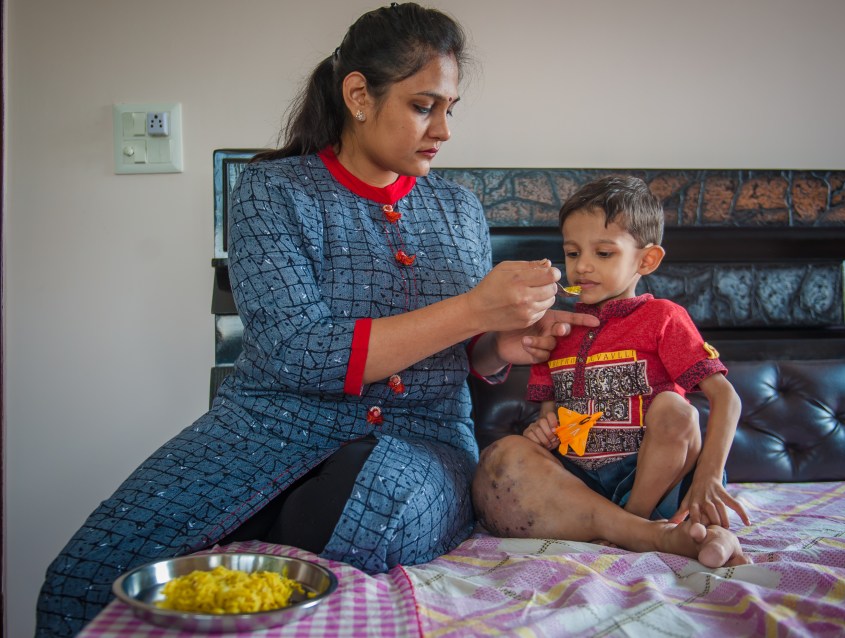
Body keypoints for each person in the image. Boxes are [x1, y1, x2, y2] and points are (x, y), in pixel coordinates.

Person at [35, 4, 599, 636]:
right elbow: (299, 351)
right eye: (423, 105)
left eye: (451, 108)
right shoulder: (271, 191)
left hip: (424, 439)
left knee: (363, 522)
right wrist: (473, 309)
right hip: (264, 427)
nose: (443, 129)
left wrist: (501, 344)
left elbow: (464, 357)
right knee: (83, 581)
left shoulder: (459, 210)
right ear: (358, 94)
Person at [472, 176, 751, 568]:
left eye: (603, 253)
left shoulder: (663, 318)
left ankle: (638, 525)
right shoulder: (557, 326)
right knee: (503, 454)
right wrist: (543, 428)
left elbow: (727, 397)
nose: (582, 266)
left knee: (676, 409)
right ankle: (662, 536)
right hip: (580, 484)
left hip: (654, 482)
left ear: (646, 260)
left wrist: (710, 476)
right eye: (572, 253)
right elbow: (550, 416)